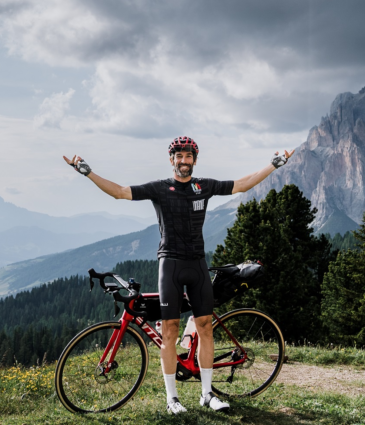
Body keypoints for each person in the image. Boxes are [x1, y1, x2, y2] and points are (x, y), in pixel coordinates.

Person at [63, 136, 293, 415]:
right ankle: (173, 399)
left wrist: (273, 165)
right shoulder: (160, 189)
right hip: (170, 263)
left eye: (188, 156)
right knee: (170, 330)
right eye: (179, 156)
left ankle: (207, 394)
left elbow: (241, 184)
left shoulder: (204, 186)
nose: (183, 161)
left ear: (195, 159)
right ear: (171, 159)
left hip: (197, 264)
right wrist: (87, 172)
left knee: (205, 327)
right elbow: (120, 192)